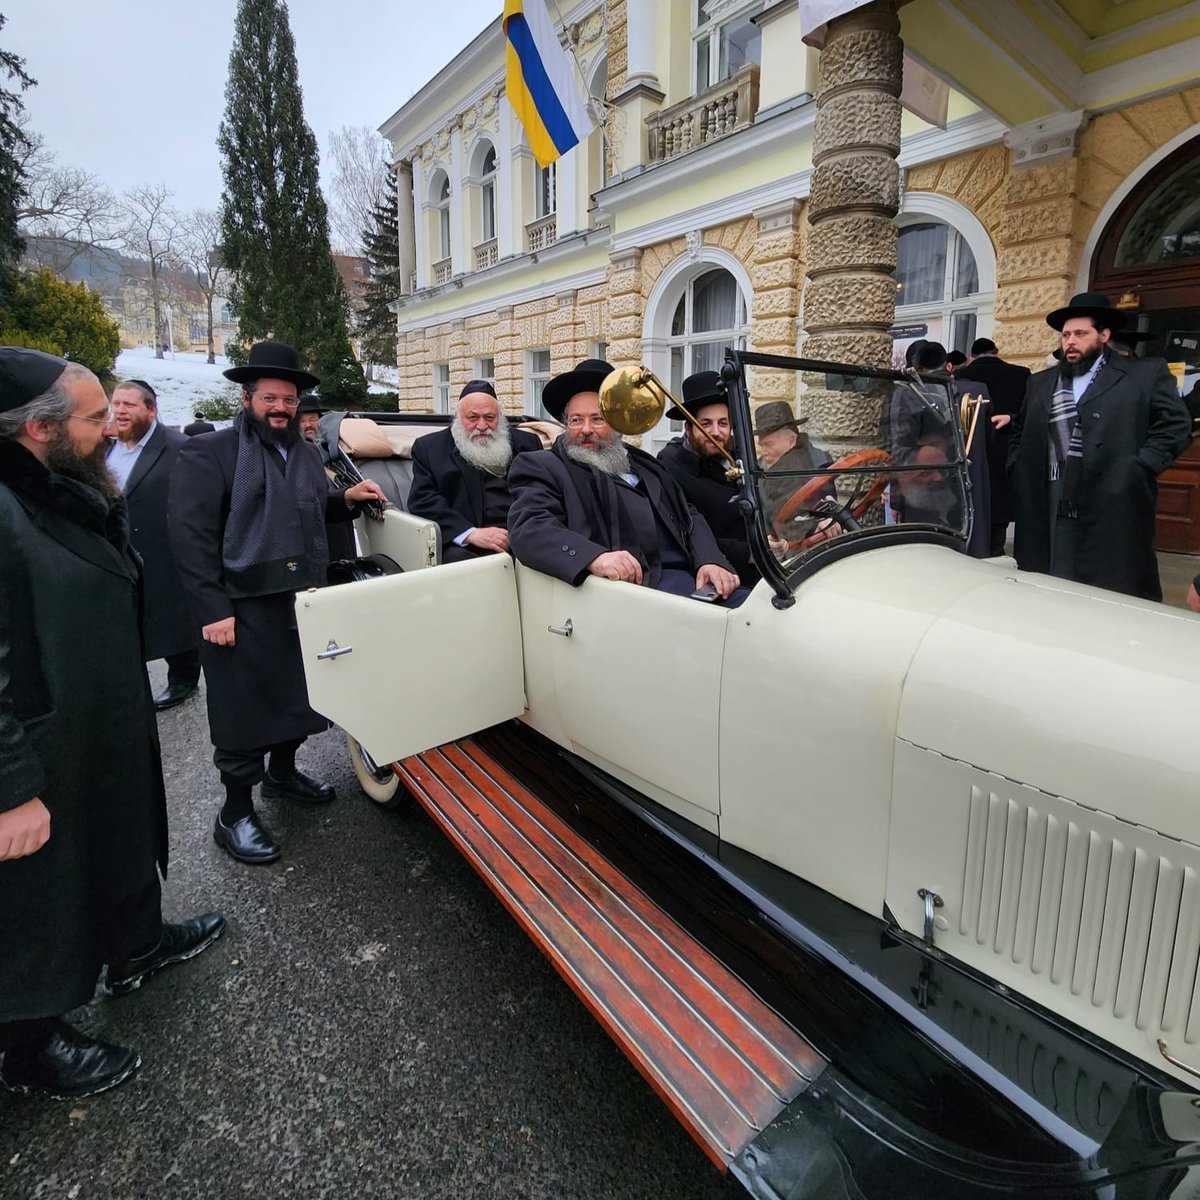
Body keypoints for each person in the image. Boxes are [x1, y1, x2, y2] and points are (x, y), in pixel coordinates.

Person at [0, 347, 224, 1100]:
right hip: (43, 744)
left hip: (106, 721)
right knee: (39, 899)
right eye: (97, 418)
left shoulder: (64, 485)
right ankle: (31, 1043)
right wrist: (9, 789)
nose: (111, 431)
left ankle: (137, 945)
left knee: (123, 834)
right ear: (39, 427)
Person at [168, 341, 387, 865]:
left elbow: (306, 511)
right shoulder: (212, 453)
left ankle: (282, 774)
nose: (281, 408)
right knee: (245, 710)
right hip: (242, 607)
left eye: (289, 399)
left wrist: (345, 501)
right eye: (270, 398)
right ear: (247, 398)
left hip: (303, 601)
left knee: (300, 696)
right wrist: (211, 609)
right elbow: (189, 537)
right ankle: (235, 813)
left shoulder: (307, 453)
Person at [1007, 292, 1192, 601]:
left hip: (1113, 494)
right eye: (1066, 335)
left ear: (1104, 335)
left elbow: (1176, 426)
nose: (1070, 341)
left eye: (1080, 333)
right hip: (1046, 496)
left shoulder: (1143, 374)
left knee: (1108, 583)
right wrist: (1017, 466)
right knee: (1049, 575)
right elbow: (1019, 429)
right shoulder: (1040, 382)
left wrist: (1140, 466)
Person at [508, 358, 740, 601]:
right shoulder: (543, 466)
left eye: (597, 419)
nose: (586, 429)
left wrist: (709, 559)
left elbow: (688, 514)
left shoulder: (646, 464)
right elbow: (530, 527)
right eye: (576, 420)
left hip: (693, 581)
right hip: (630, 594)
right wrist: (594, 558)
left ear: (618, 422)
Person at [107, 379, 203, 710]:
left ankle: (184, 677)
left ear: (151, 409)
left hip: (163, 546)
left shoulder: (179, 447)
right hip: (114, 546)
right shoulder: (104, 446)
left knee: (172, 614)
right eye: (116, 404)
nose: (120, 411)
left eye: (129, 405)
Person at [407, 380, 541, 562]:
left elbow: (542, 491)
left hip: (524, 535)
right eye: (473, 418)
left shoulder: (527, 443)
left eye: (489, 417)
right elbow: (423, 500)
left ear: (499, 418)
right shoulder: (430, 448)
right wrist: (470, 534)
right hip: (468, 544)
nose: (482, 425)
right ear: (458, 417)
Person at [657, 370, 756, 583]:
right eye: (706, 424)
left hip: (764, 569)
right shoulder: (670, 466)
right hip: (716, 578)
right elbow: (683, 532)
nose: (716, 432)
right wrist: (748, 552)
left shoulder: (739, 458)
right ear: (688, 428)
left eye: (723, 423)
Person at [954, 337, 1031, 556]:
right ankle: (996, 551)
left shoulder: (960, 377)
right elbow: (1028, 413)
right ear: (996, 352)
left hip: (971, 456)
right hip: (1005, 455)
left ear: (971, 357)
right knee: (999, 521)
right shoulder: (1022, 374)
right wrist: (1011, 417)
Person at [755, 400, 833, 522]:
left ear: (791, 441)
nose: (763, 452)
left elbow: (822, 514)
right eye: (762, 445)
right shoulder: (758, 468)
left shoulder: (818, 464)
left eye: (769, 445)